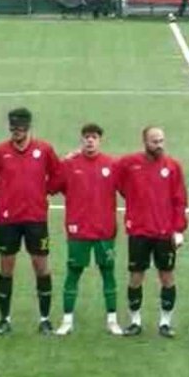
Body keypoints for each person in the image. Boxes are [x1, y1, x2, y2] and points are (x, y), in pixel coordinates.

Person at [0, 107, 60, 335]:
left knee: (41, 267)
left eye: (19, 129)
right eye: (13, 129)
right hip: (9, 219)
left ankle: (45, 319)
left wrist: (44, 192)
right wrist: (3, 197)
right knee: (6, 268)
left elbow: (57, 175)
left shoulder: (44, 149)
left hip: (36, 218)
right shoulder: (0, 152)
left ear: (28, 128)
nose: (16, 133)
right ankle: (4, 319)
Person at [51, 123, 124, 337]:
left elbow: (129, 190)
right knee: (73, 273)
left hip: (105, 231)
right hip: (78, 231)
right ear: (81, 140)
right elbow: (52, 186)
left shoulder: (112, 165)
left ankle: (112, 320)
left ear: (100, 140)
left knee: (108, 273)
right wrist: (62, 161)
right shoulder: (70, 165)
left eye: (93, 137)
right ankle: (67, 321)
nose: (90, 141)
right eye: (86, 137)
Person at [116, 126, 187, 336]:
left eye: (161, 141)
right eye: (155, 141)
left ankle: (165, 322)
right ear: (145, 142)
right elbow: (116, 181)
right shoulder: (129, 163)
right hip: (138, 231)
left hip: (164, 233)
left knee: (167, 276)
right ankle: (135, 321)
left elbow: (179, 199)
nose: (159, 145)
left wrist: (178, 229)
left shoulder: (173, 166)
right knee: (136, 276)